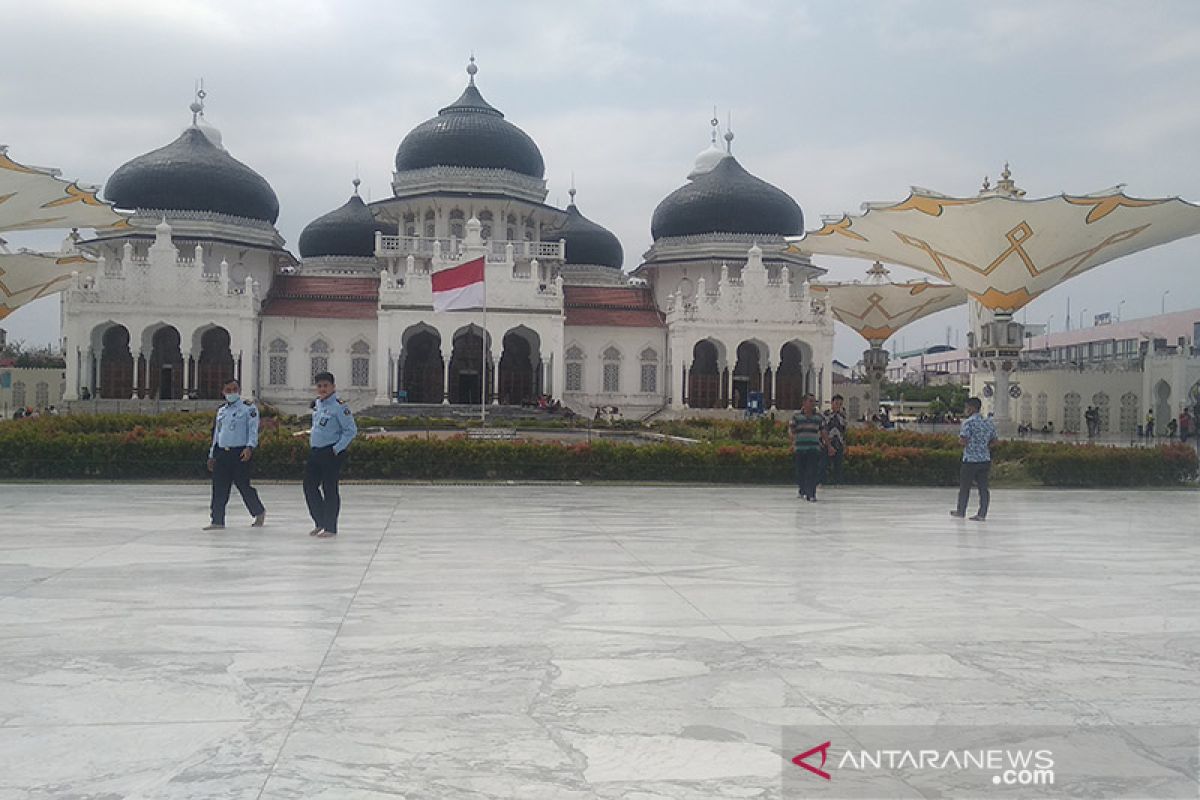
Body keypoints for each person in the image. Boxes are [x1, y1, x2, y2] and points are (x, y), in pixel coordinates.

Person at [204, 379, 265, 531]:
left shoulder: (248, 409)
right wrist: (212, 454)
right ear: (223, 392)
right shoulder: (222, 411)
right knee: (219, 488)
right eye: (228, 390)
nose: (231, 393)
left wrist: (250, 447)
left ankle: (258, 511)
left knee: (243, 485)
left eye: (234, 389)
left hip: (240, 452)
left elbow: (252, 429)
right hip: (222, 452)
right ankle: (217, 520)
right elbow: (217, 434)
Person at [304, 371, 358, 539]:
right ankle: (320, 521)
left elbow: (350, 431)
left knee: (329, 489)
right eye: (319, 386)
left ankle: (331, 527)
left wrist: (336, 449)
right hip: (315, 451)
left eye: (326, 386)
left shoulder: (340, 407)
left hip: (331, 453)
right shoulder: (318, 404)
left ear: (333, 387)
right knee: (309, 487)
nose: (322, 389)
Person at [951, 396, 997, 521]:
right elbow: (993, 441)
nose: (966, 410)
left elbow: (963, 440)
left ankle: (961, 511)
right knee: (983, 488)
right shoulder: (988, 422)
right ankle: (982, 514)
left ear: (971, 408)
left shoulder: (968, 423)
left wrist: (965, 443)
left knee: (965, 487)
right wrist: (983, 446)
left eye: (966, 408)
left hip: (970, 460)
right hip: (984, 459)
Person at [788, 394, 828, 502]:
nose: (812, 404)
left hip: (813, 448)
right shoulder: (796, 417)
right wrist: (792, 443)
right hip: (800, 448)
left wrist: (828, 445)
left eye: (814, 401)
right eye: (810, 401)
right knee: (800, 471)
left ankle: (811, 494)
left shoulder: (819, 417)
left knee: (812, 471)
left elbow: (823, 431)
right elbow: (791, 431)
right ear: (804, 403)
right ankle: (803, 489)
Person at [821, 394, 848, 485]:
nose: (838, 406)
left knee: (838, 465)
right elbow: (823, 428)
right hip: (827, 442)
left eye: (840, 404)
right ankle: (822, 481)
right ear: (832, 403)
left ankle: (838, 482)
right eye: (836, 403)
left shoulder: (842, 416)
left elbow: (844, 430)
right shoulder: (826, 414)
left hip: (838, 443)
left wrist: (844, 443)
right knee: (824, 464)